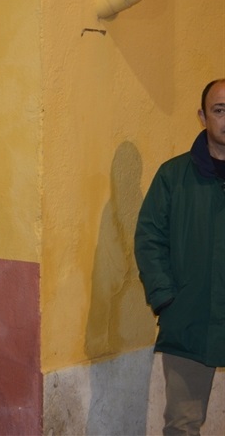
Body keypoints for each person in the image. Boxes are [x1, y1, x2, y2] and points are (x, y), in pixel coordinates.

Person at [135, 77, 225, 435]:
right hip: (189, 322)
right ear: (202, 116)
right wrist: (167, 299)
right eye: (219, 110)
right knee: (182, 425)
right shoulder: (173, 177)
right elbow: (149, 239)